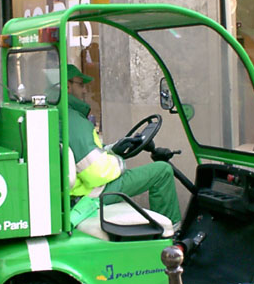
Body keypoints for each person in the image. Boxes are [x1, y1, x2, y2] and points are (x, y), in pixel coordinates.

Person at [66, 63, 181, 224]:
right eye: (81, 85)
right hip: (90, 194)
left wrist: (112, 149)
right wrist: (119, 160)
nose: (85, 90)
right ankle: (172, 231)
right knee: (162, 171)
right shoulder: (74, 121)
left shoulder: (60, 115)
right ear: (67, 86)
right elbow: (97, 172)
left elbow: (83, 156)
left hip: (76, 191)